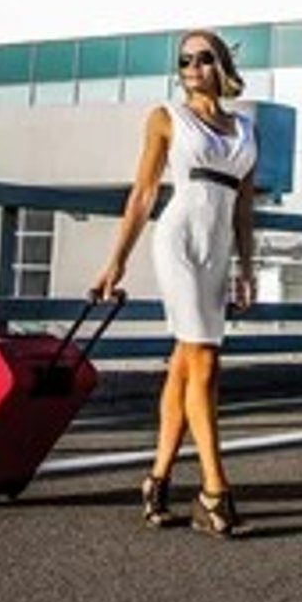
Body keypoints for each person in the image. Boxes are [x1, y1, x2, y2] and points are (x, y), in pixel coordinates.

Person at [93, 28, 258, 537]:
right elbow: (144, 193)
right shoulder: (167, 118)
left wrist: (247, 267)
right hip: (179, 241)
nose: (191, 66)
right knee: (205, 360)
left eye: (203, 57)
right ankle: (215, 492)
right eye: (184, 59)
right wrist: (116, 260)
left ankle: (157, 480)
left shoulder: (246, 128)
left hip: (217, 250)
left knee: (186, 366)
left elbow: (245, 208)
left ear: (222, 65)